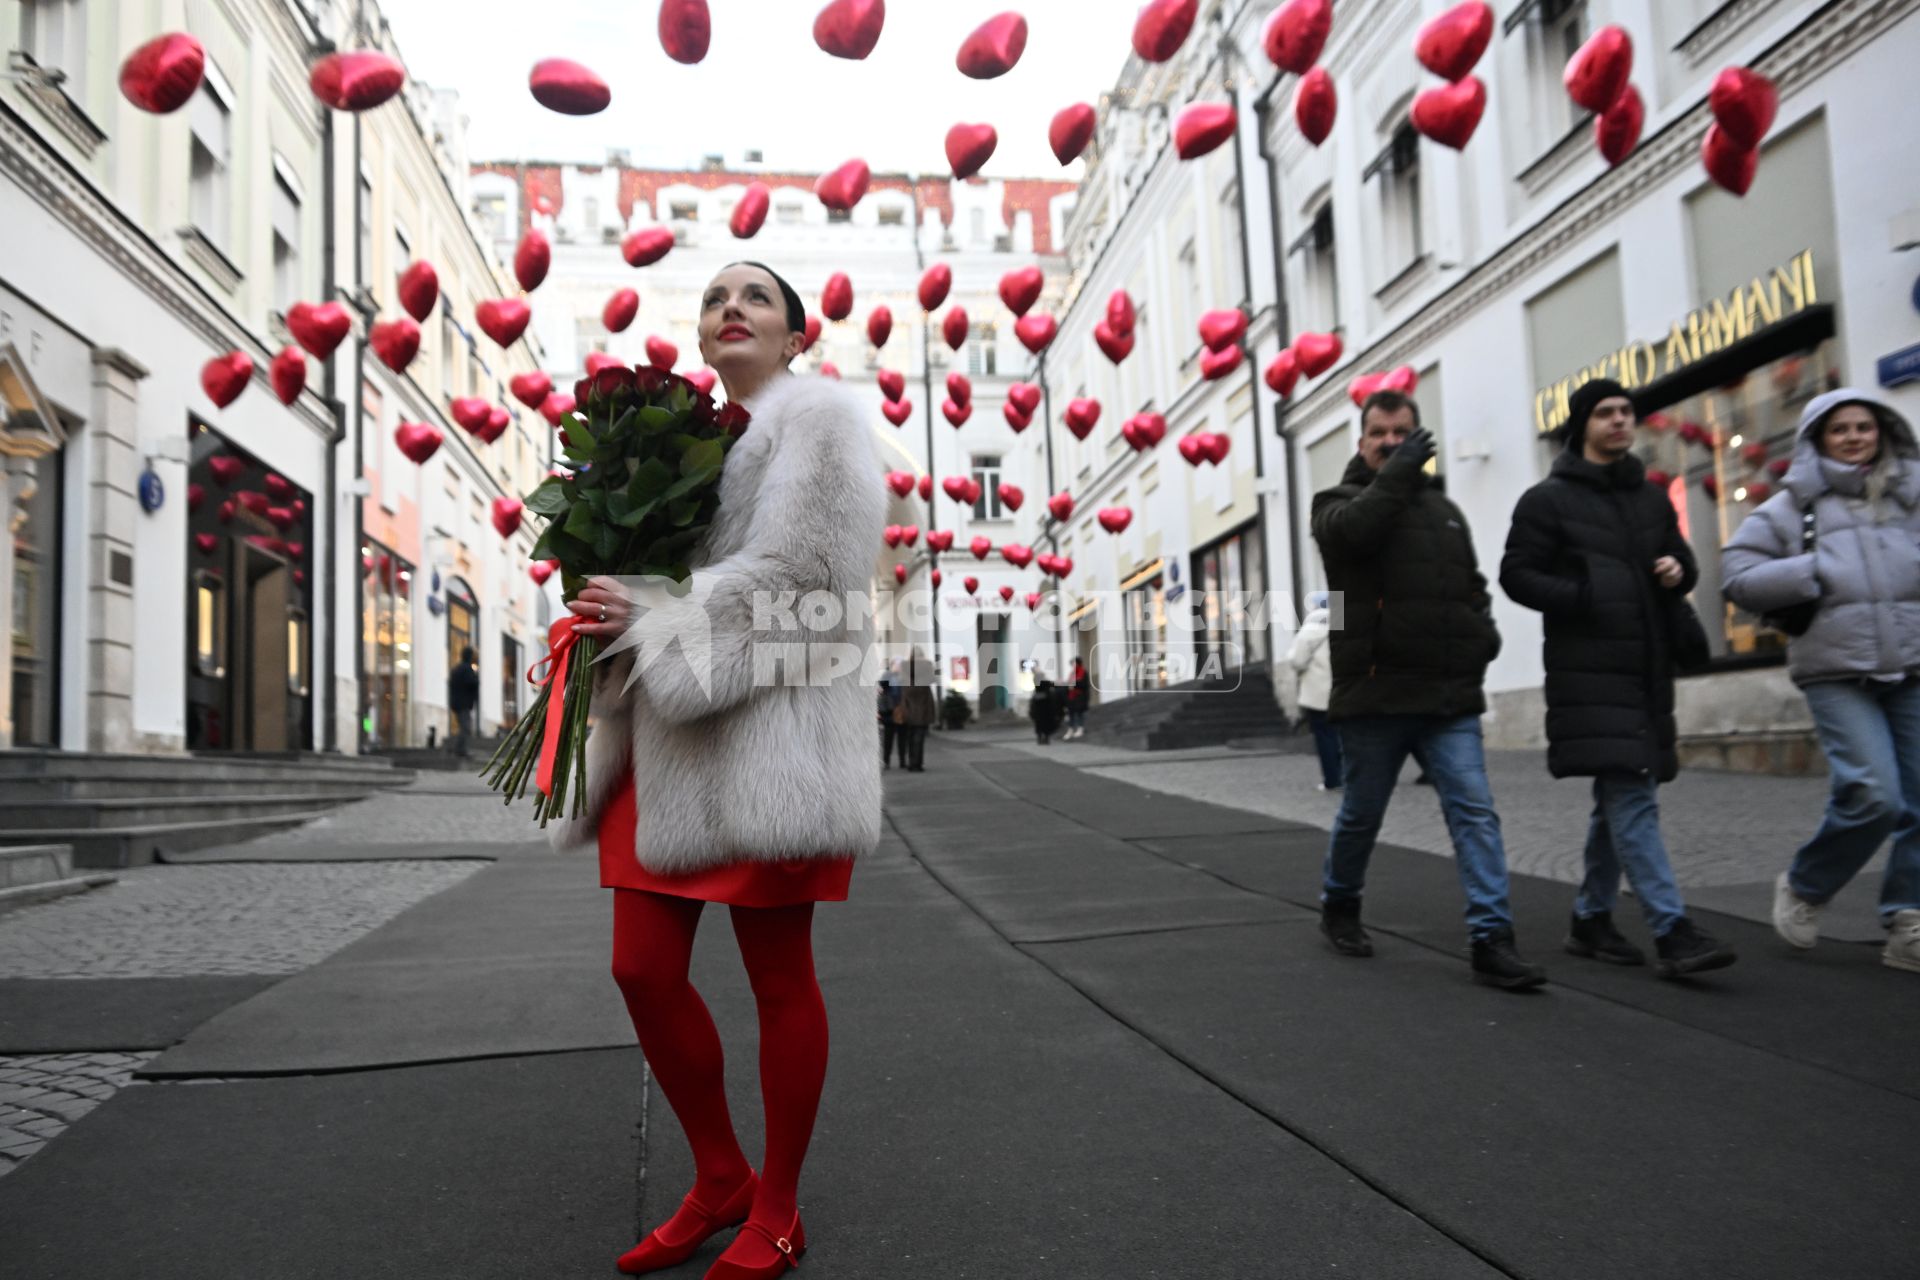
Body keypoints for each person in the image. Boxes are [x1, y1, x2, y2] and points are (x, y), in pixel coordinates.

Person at [555, 262, 886, 1278]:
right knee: (640, 968)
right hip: (663, 738)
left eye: (755, 296)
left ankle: (776, 1204)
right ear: (698, 340)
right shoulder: (684, 442)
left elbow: (818, 579)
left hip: (766, 735)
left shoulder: (819, 418)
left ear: (796, 336)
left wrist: (656, 608)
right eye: (712, 300)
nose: (729, 307)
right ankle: (717, 1176)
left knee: (778, 978)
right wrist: (610, 597)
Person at [1501, 379, 1738, 979]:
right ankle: (1672, 929)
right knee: (1632, 794)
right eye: (1605, 413)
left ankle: (1590, 920)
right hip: (1590, 671)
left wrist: (1674, 569)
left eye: (1626, 412)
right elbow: (1517, 575)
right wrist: (1584, 596)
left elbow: (1682, 565)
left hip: (1646, 667)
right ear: (1582, 424)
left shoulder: (1650, 497)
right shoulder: (1546, 500)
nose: (1619, 421)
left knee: (1622, 796)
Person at [1310, 390, 1544, 990]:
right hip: (1376, 694)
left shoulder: (1444, 513)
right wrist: (1401, 471)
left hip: (1446, 694)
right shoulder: (1333, 503)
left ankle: (1493, 938)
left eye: (1403, 432)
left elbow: (1471, 585)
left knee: (1473, 812)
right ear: (1360, 443)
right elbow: (1358, 536)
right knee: (1363, 813)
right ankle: (1340, 901)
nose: (1391, 442)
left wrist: (1482, 638)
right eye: (1380, 434)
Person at [1722, 388, 1920, 973]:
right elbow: (1737, 576)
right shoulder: (1791, 506)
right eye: (1841, 430)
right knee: (1874, 794)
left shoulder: (1911, 498)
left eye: (1865, 427)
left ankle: (1908, 919)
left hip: (1912, 664)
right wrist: (1812, 570)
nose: (1855, 437)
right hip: (1836, 669)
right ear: (1817, 439)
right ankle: (1807, 885)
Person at [1288, 591, 1341, 791]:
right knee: (1342, 736)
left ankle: (1332, 780)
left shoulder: (1310, 630)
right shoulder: (1343, 626)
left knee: (1324, 736)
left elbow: (1297, 661)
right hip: (1342, 690)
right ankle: (1348, 776)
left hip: (1317, 693)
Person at [898, 649, 938, 772]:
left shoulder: (904, 666)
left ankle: (911, 762)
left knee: (910, 736)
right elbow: (933, 679)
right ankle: (918, 763)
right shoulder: (927, 666)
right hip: (923, 704)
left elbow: (901, 682)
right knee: (919, 736)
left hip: (909, 704)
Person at [447, 645, 479, 757]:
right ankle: (459, 750)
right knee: (466, 727)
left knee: (464, 727)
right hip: (463, 703)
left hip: (458, 702)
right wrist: (476, 678)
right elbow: (471, 683)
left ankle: (459, 749)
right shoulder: (466, 669)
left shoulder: (458, 668)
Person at [877, 675, 903, 769]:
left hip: (888, 721)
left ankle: (887, 762)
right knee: (899, 741)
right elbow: (887, 709)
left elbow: (881, 710)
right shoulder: (888, 695)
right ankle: (900, 761)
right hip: (892, 720)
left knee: (888, 743)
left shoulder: (882, 695)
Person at [1063, 657, 1091, 740]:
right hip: (1071, 697)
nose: (1073, 665)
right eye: (1072, 664)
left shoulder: (1083, 672)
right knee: (1071, 713)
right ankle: (1070, 729)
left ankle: (1080, 728)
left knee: (1079, 713)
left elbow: (1084, 685)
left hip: (1080, 697)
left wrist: (1074, 684)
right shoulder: (1072, 673)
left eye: (1074, 663)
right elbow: (1068, 683)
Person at [1030, 676, 1062, 744]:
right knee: (1045, 725)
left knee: (1039, 725)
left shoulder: (1036, 692)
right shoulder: (1047, 691)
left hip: (1039, 711)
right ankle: (1045, 739)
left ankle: (1040, 738)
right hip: (1045, 710)